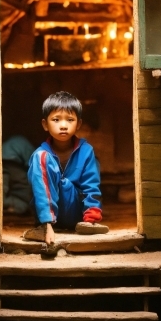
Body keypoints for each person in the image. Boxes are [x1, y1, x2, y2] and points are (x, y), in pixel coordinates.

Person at [24, 90, 109, 246]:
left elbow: (91, 186)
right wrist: (47, 224)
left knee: (68, 182)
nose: (63, 125)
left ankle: (85, 224)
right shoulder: (41, 155)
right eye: (56, 119)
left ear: (78, 124)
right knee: (40, 157)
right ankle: (46, 225)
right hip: (45, 217)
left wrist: (90, 220)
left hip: (76, 214)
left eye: (70, 120)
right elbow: (39, 190)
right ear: (45, 124)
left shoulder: (86, 151)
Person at [2, 135, 34, 214]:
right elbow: (32, 165)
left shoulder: (17, 140)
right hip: (13, 161)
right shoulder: (26, 144)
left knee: (3, 187)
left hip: (3, 159)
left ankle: (3, 205)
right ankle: (13, 206)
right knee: (24, 191)